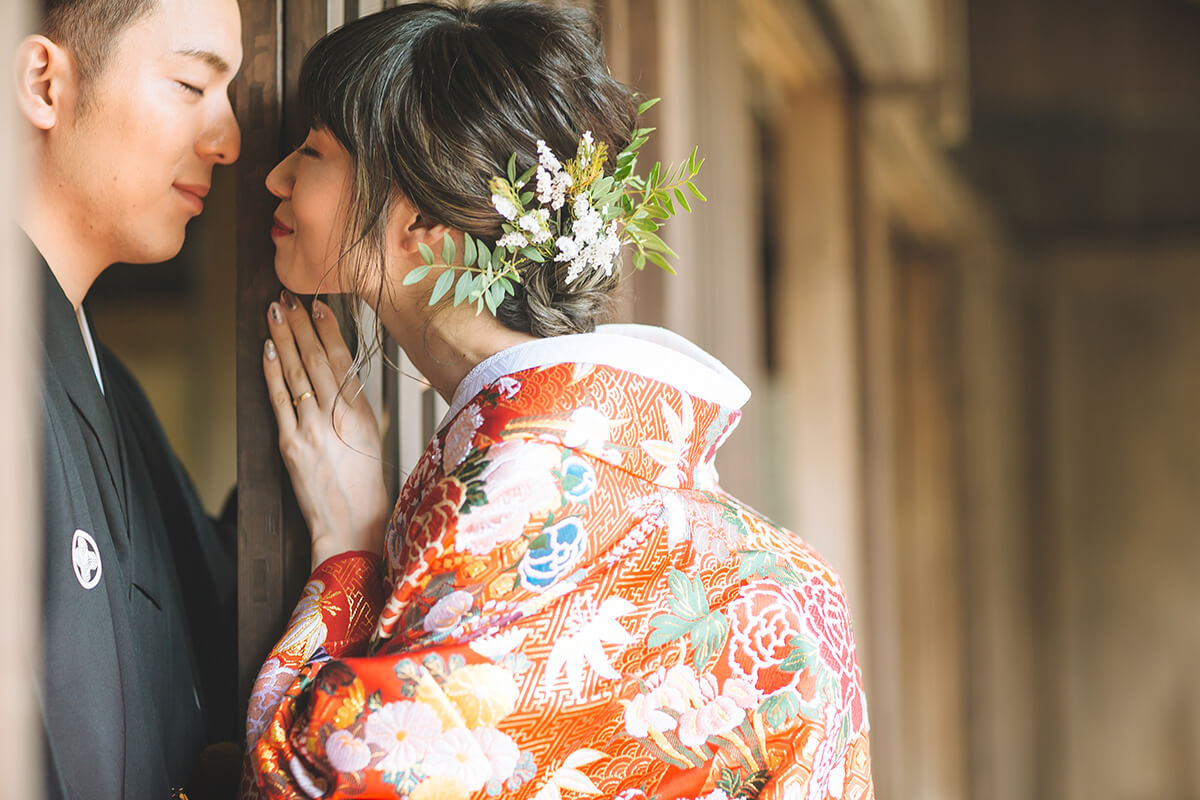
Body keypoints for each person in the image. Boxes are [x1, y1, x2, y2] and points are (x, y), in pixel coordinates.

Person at [245, 3, 874, 799]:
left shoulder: (528, 495)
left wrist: (349, 549)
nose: (276, 177)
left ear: (422, 222)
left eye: (313, 150)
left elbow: (314, 781)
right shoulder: (742, 553)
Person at [14, 0, 243, 795]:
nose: (228, 141)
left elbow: (212, 621)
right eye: (189, 84)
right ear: (44, 83)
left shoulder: (106, 381)